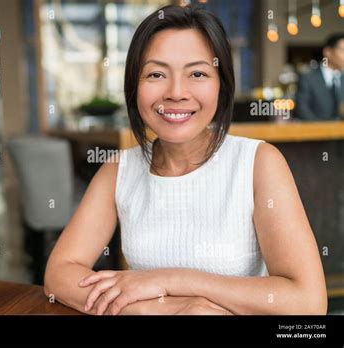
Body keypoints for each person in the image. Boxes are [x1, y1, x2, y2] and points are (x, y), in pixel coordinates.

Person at [44, 4, 327, 315]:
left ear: (222, 84)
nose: (176, 92)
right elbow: (60, 274)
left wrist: (171, 281)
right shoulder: (119, 169)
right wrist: (163, 308)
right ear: (133, 86)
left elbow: (307, 302)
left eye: (197, 73)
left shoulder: (258, 162)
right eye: (156, 74)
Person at [295, 33, 344, 120]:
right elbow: (302, 109)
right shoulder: (308, 78)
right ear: (327, 52)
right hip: (316, 131)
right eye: (342, 50)